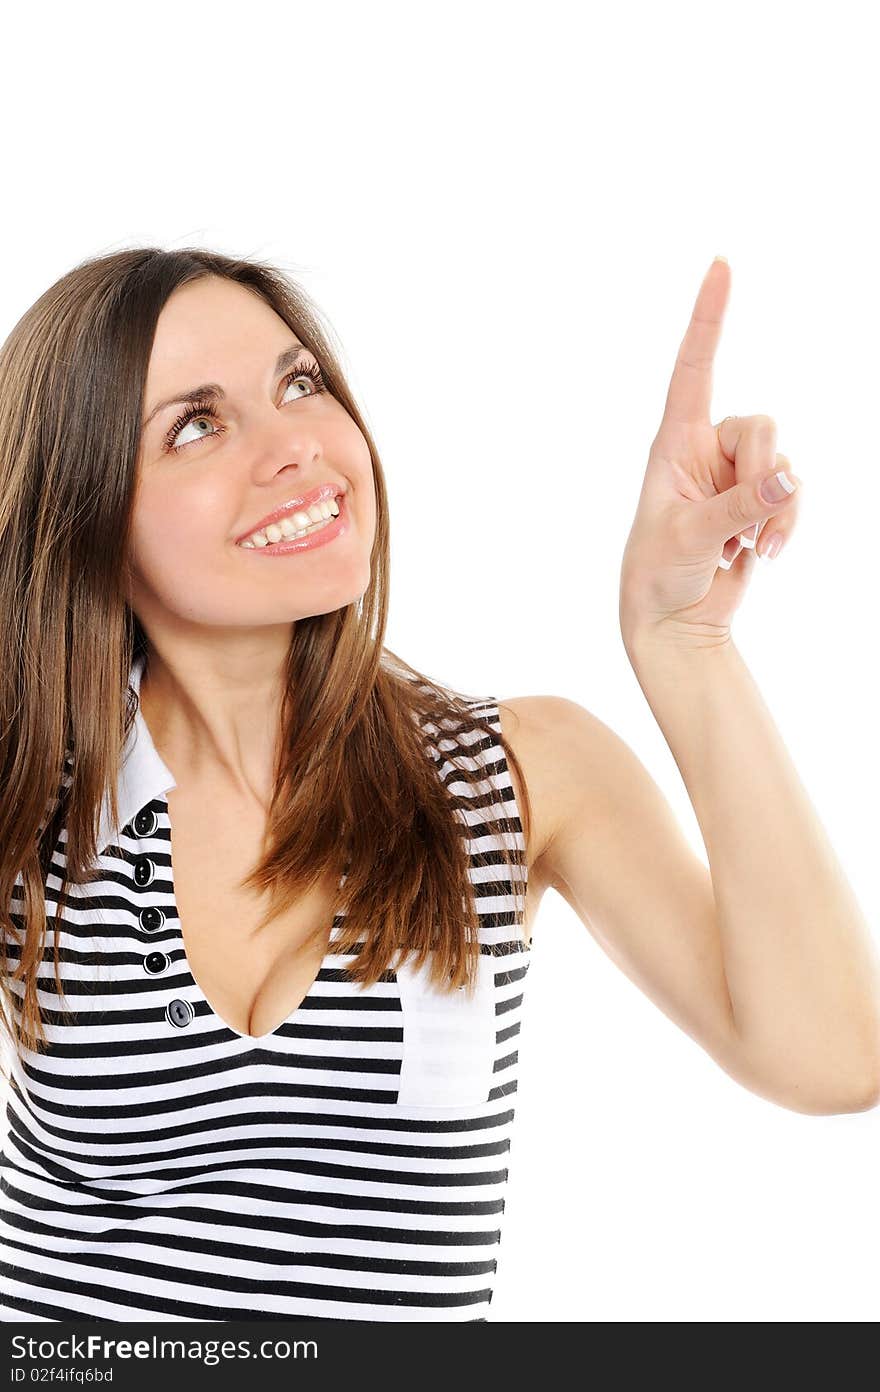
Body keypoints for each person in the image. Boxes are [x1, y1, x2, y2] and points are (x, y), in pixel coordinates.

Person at [0, 249, 878, 1323]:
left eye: (300, 384)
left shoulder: (516, 775)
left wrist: (682, 641)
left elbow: (831, 1058)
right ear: (86, 513)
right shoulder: (34, 804)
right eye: (197, 423)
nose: (297, 448)